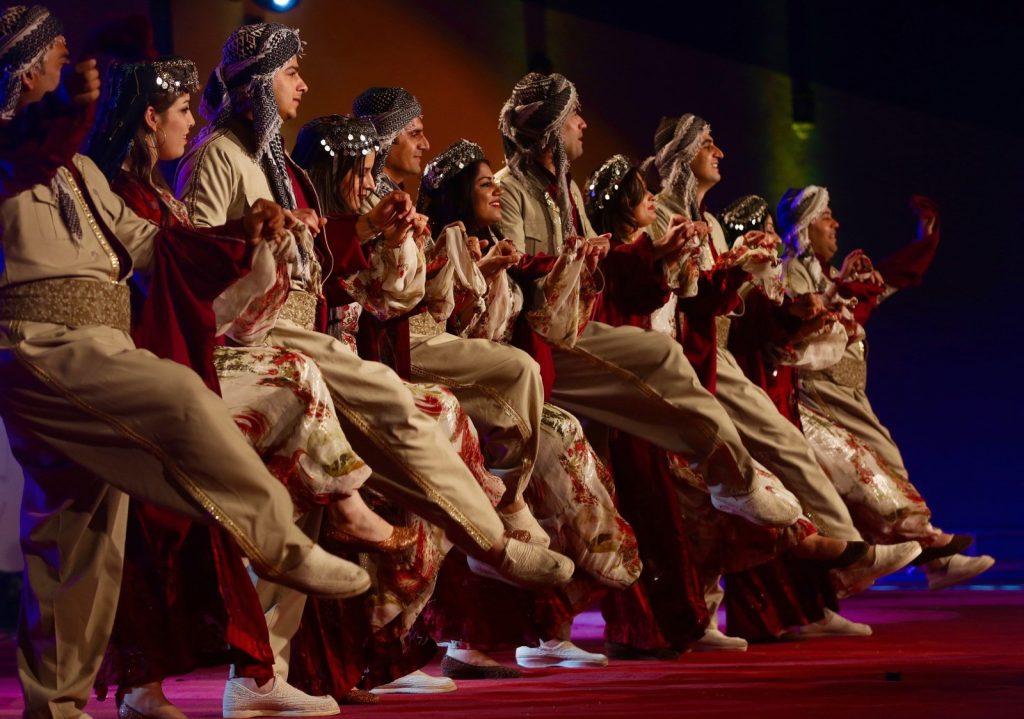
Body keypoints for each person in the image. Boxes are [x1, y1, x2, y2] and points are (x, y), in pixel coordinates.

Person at [175, 20, 574, 703]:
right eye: (291, 71)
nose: (302, 81)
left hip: (297, 336)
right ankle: (492, 544)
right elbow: (195, 255)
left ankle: (485, 541)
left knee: (394, 416)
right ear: (259, 83)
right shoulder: (216, 158)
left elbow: (322, 263)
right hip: (252, 343)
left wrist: (363, 230)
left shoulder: (279, 168)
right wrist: (252, 233)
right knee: (380, 423)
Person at [0, 8, 367, 718]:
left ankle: (55, 705)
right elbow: (27, 145)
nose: (71, 66)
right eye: (56, 56)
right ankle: (277, 540)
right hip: (42, 344)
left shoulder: (81, 170)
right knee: (177, 395)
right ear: (25, 70)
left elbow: (156, 246)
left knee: (77, 540)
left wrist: (240, 231)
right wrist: (66, 113)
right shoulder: (20, 150)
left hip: (85, 350)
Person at [84, 57, 419, 717]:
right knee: (165, 530)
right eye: (180, 110)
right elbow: (175, 264)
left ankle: (252, 673)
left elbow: (196, 253)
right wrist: (246, 236)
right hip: (156, 371)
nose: (191, 120)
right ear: (150, 119)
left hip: (187, 367)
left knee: (261, 500)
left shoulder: (161, 188)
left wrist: (263, 235)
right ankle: (155, 684)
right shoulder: (140, 182)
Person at [493, 72, 803, 536]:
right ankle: (735, 481)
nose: (583, 124)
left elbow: (603, 265)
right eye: (574, 114)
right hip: (535, 341)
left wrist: (654, 253)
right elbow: (514, 265)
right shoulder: (509, 187)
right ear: (552, 126)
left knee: (664, 358)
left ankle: (734, 480)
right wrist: (584, 257)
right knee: (660, 359)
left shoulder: (567, 190)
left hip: (575, 331)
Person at [416, 139, 642, 674]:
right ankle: (469, 639)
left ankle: (553, 615)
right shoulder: (441, 245)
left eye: (497, 183)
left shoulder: (493, 244)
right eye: (484, 185)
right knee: (513, 463)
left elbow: (547, 326)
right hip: (457, 388)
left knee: (563, 439)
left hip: (498, 396)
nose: (495, 192)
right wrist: (481, 272)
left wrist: (570, 266)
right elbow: (442, 327)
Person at [777, 185, 995, 590]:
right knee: (861, 474)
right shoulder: (789, 272)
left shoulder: (827, 275)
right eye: (827, 216)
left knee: (883, 466)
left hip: (845, 395)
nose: (835, 224)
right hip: (812, 397)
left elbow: (882, 284)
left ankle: (932, 561)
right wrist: (837, 298)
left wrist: (923, 241)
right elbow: (791, 333)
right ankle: (922, 552)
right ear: (806, 225)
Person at [353, 87, 547, 532]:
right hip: (396, 341)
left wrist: (481, 271)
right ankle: (503, 503)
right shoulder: (370, 201)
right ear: (386, 137)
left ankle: (507, 503)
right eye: (415, 133)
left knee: (545, 405)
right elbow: (388, 293)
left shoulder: (391, 199)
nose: (424, 144)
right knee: (512, 375)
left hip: (425, 335)